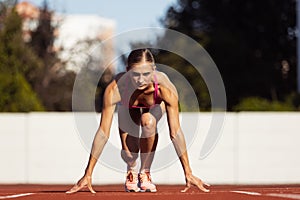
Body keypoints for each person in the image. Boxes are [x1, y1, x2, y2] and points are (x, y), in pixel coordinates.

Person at [66, 48, 210, 193]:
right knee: (129, 155)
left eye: (146, 74)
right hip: (128, 105)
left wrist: (188, 172)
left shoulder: (164, 88)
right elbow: (103, 132)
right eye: (135, 74)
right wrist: (88, 173)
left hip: (154, 105)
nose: (141, 80)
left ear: (153, 70)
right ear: (128, 70)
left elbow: (176, 133)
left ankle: (145, 172)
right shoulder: (116, 89)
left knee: (148, 121)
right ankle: (131, 170)